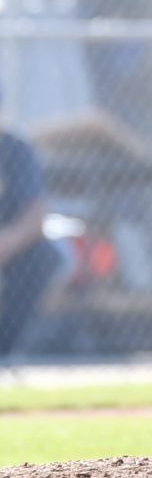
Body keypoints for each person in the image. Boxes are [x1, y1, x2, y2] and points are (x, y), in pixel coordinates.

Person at [0, 94, 62, 357]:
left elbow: (37, 213)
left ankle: (4, 349)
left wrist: (7, 242)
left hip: (9, 243)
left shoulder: (14, 149)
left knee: (43, 256)